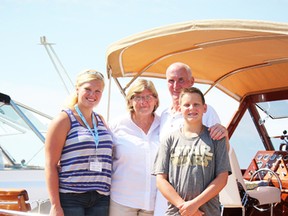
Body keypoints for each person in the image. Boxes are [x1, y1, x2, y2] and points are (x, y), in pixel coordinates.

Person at [154, 62, 230, 216]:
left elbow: (222, 162)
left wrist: (194, 206)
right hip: (172, 207)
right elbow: (161, 176)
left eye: (181, 80)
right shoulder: (163, 116)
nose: (176, 85)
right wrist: (184, 207)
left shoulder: (209, 115)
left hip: (205, 209)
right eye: (171, 80)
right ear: (181, 108)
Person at [45, 69, 113, 216]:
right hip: (71, 197)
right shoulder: (63, 120)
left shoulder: (100, 120)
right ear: (77, 89)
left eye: (97, 91)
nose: (92, 95)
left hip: (101, 196)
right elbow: (50, 165)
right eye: (87, 89)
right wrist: (55, 205)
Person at [109, 79, 160, 216]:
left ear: (155, 100)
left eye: (148, 97)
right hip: (121, 201)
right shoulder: (116, 125)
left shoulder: (164, 125)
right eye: (138, 97)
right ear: (130, 101)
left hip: (154, 203)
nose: (144, 102)